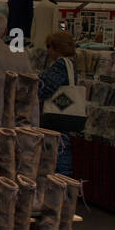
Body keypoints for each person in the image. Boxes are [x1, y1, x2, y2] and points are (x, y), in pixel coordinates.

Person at [38, 30, 78, 176]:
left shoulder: (61, 64)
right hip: (65, 116)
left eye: (49, 46)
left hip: (55, 119)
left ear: (57, 47)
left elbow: (44, 88)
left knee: (56, 162)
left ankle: (60, 194)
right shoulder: (72, 63)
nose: (47, 51)